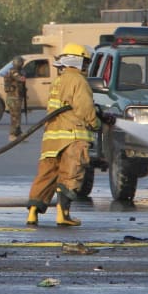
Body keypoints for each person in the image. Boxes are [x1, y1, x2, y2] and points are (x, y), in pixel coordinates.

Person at [25, 43, 101, 227]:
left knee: (46, 175)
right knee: (70, 174)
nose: (86, 66)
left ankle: (33, 214)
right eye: (85, 62)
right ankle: (63, 214)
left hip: (52, 138)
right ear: (79, 61)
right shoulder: (78, 80)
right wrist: (95, 123)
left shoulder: (58, 80)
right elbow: (84, 108)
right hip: (72, 135)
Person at [3, 55, 27, 140]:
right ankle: (12, 134)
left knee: (17, 116)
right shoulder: (13, 71)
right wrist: (23, 76)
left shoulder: (16, 71)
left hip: (16, 97)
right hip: (13, 98)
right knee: (15, 116)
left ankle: (18, 133)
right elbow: (20, 79)